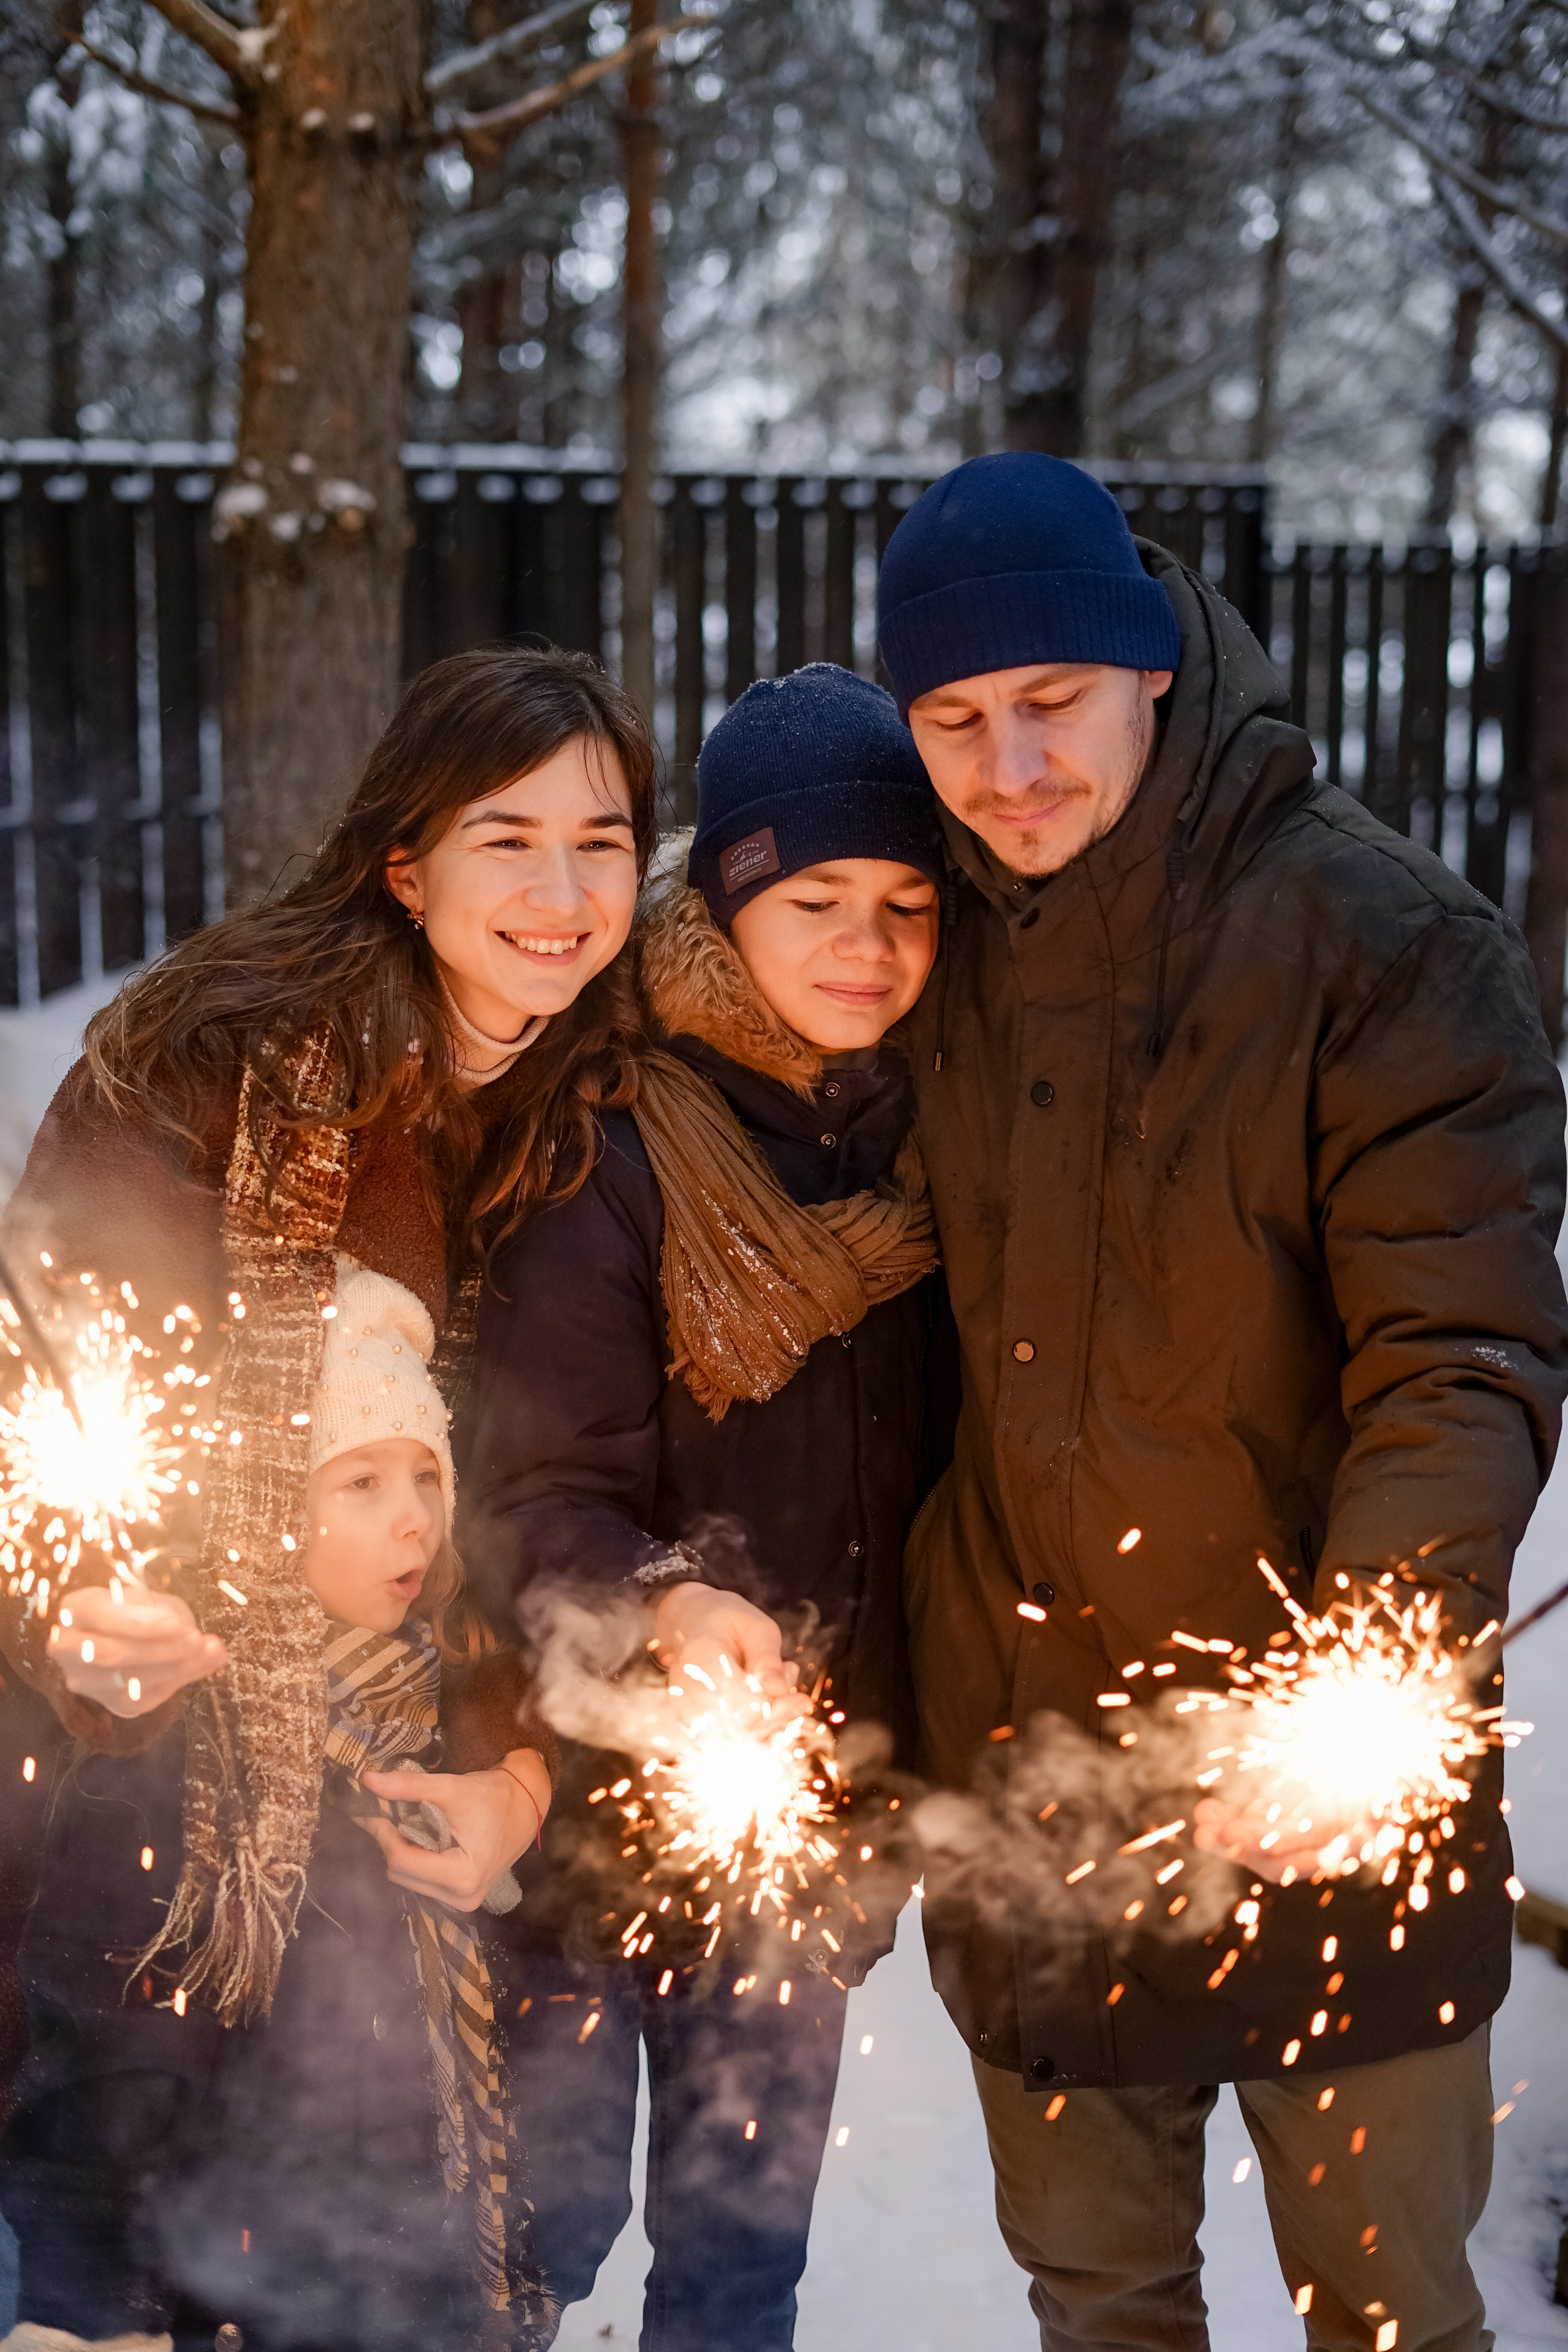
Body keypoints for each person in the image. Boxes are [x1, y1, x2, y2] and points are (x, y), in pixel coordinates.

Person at [873, 452, 1568, 2348]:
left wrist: (1369, 1674)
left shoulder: (1384, 943)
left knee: (1389, 2313)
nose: (1011, 769)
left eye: (1053, 702)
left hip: (1331, 1792)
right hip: (1034, 1786)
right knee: (1101, 2304)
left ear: (1153, 667)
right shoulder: (914, 943)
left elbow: (1462, 1356)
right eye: (954, 722)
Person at [0, 644, 661, 2337]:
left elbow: (544, 1479)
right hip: (161, 1782)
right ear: (404, 863)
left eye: (600, 842)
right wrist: (80, 1597)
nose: (562, 894)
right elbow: (49, 1382)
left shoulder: (592, 1110)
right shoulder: (216, 1067)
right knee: (138, 2215)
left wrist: (519, 1765)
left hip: (419, 1764)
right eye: (508, 840)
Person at [460, 664, 949, 2352]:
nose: (865, 944)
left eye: (905, 904)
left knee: (739, 2268)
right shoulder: (613, 1149)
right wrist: (664, 1599)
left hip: (801, 1824)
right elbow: (533, 1494)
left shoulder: (936, 1146)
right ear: (726, 903)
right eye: (814, 899)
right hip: (594, 1822)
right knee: (539, 2225)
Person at [0, 1259, 559, 2352]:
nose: (415, 1519)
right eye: (362, 1482)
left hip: (401, 2283)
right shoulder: (182, 1746)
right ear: (266, 1510)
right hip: (226, 2292)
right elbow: (107, 2046)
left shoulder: (433, 1725)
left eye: (426, 1476)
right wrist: (96, 2310)